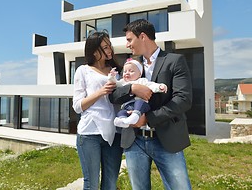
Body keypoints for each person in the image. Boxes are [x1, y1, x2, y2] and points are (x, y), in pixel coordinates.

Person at [109, 19, 193, 190]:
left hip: (167, 139)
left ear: (142, 36)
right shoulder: (131, 65)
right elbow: (113, 95)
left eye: (129, 39)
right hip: (134, 141)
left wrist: (148, 118)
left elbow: (183, 99)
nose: (127, 45)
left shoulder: (174, 61)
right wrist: (133, 87)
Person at [73, 30, 123, 190]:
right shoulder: (83, 70)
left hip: (114, 134)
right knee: (92, 184)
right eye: (105, 47)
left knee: (110, 184)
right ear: (94, 51)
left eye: (110, 46)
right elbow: (77, 106)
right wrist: (101, 92)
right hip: (89, 134)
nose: (110, 50)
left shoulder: (117, 71)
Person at [108, 58, 167, 128]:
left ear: (139, 74)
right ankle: (122, 120)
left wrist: (159, 87)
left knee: (139, 103)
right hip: (127, 106)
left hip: (141, 104)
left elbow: (151, 85)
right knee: (121, 112)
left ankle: (136, 114)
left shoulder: (141, 81)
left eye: (131, 71)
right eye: (125, 71)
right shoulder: (123, 82)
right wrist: (111, 77)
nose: (127, 73)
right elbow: (116, 84)